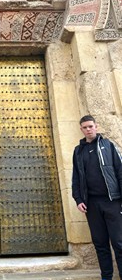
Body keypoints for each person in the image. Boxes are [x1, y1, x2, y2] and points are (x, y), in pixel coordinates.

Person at [72, 115, 122, 280]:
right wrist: (78, 200)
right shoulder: (78, 151)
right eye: (85, 127)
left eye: (91, 126)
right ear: (81, 129)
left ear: (96, 126)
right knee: (100, 244)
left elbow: (119, 172)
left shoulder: (108, 146)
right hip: (91, 205)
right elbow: (76, 178)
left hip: (112, 202)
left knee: (119, 242)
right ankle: (106, 276)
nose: (88, 129)